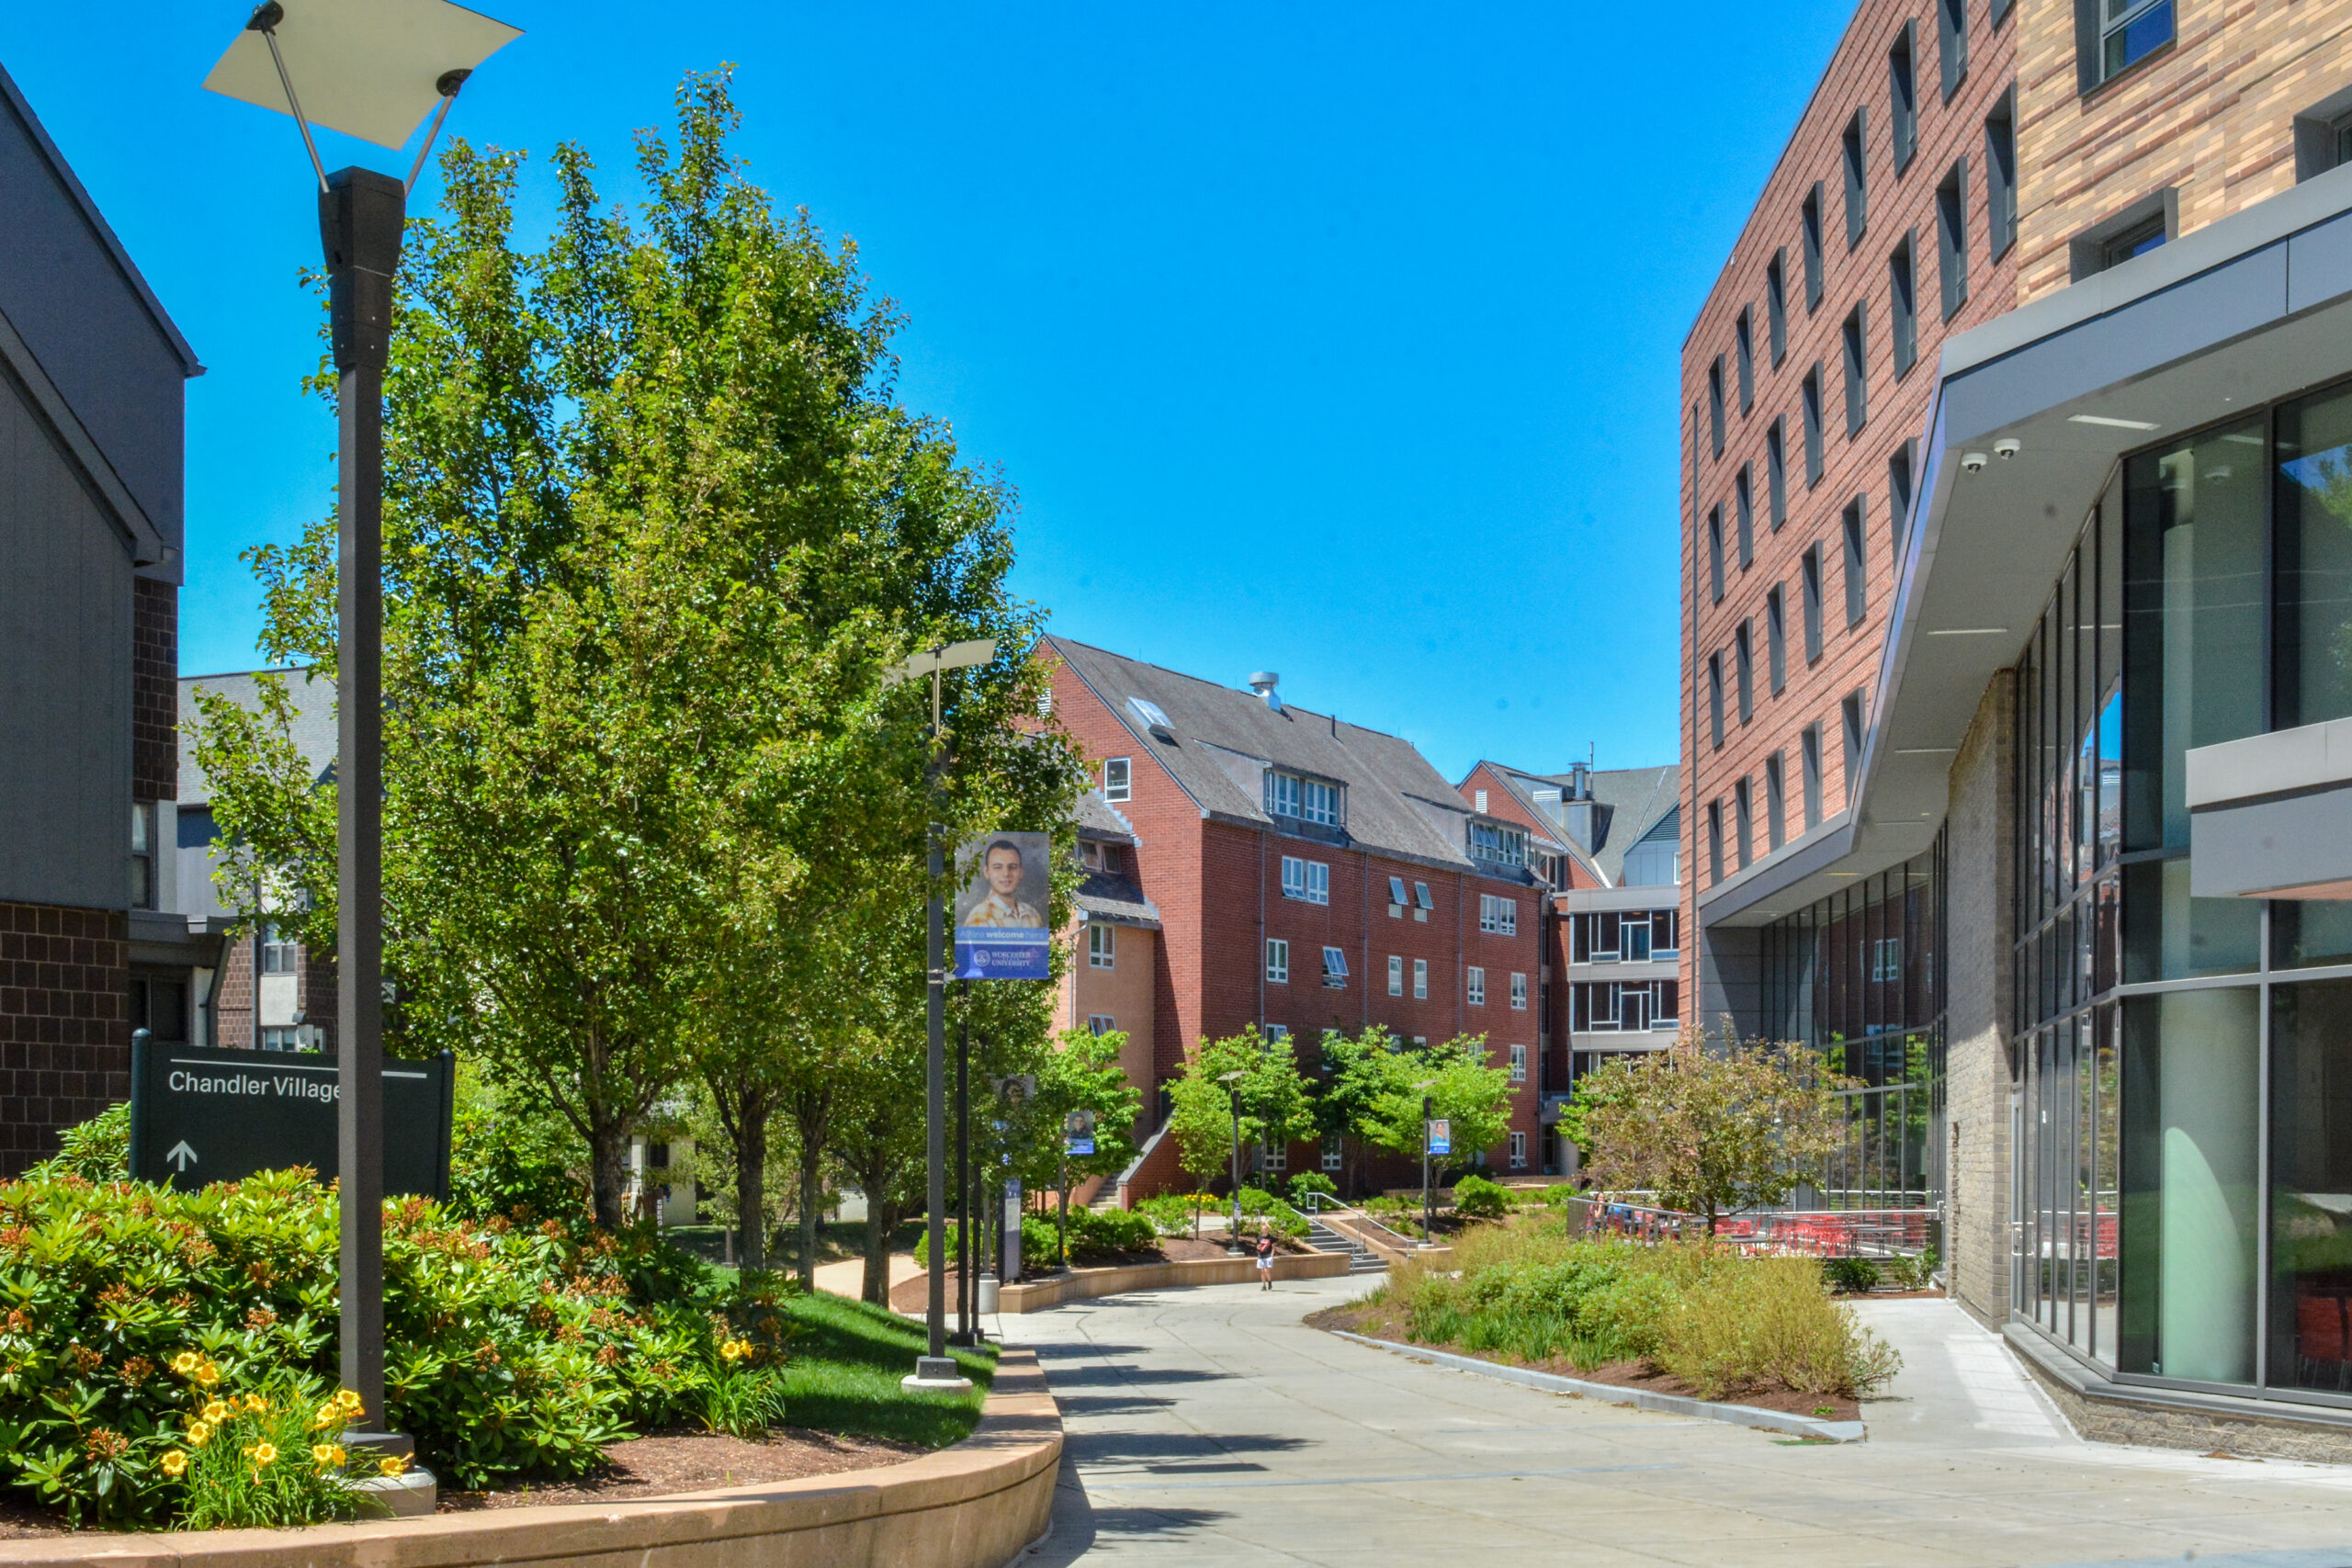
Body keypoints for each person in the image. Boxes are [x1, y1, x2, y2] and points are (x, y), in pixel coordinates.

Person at [962, 840, 1042, 927]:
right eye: (997, 867)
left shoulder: (1033, 915)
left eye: (1013, 867)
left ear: (1021, 872)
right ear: (986, 872)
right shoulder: (980, 917)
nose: (1006, 873)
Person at [1255, 1224, 1276, 1291]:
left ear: (1268, 1230)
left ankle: (1269, 1282)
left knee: (1266, 1270)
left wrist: (1272, 1254)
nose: (1265, 1230)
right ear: (1261, 1230)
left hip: (1268, 1255)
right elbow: (1258, 1246)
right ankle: (1264, 1286)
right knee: (1262, 1271)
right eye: (1263, 1229)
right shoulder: (1259, 1237)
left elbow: (1273, 1247)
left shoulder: (1271, 1237)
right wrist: (1258, 1248)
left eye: (1266, 1229)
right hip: (1261, 1255)